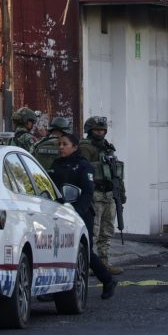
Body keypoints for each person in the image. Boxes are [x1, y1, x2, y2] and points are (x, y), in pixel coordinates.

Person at [48, 132, 117, 300]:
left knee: (84, 250)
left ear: (75, 147)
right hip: (59, 213)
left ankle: (107, 280)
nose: (61, 147)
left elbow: (87, 192)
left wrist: (77, 211)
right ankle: (53, 289)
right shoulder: (56, 164)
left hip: (81, 214)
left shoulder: (83, 166)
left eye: (65, 144)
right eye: (59, 144)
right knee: (57, 248)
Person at [80, 116, 126, 274]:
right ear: (90, 130)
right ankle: (88, 265)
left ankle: (103, 264)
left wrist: (121, 193)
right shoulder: (86, 148)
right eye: (96, 130)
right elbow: (83, 171)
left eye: (102, 130)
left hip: (109, 194)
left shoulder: (108, 148)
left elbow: (117, 173)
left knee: (107, 231)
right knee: (93, 231)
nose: (100, 133)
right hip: (95, 194)